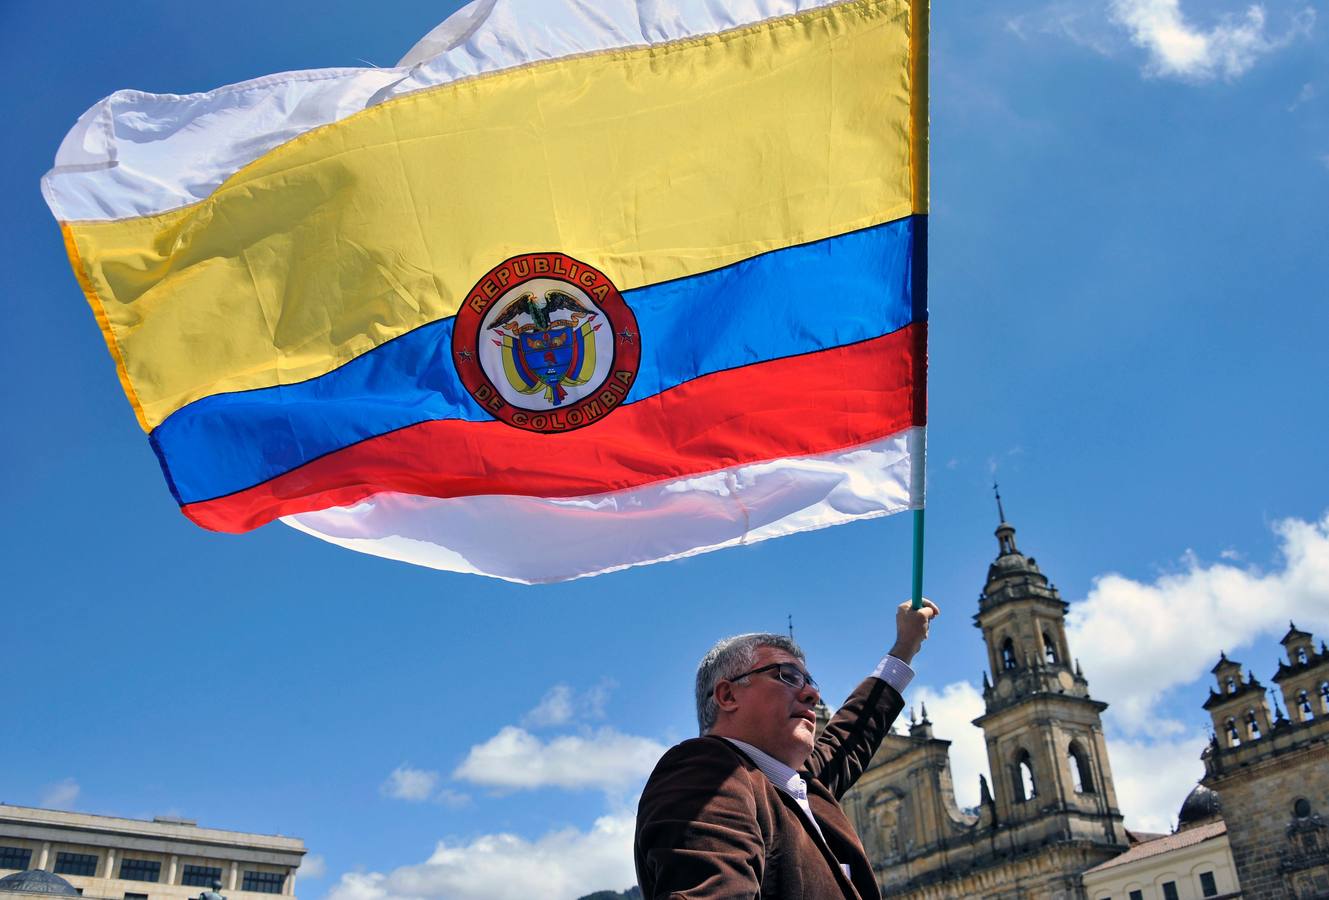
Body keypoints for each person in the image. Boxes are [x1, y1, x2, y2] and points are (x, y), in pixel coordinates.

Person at [634, 598, 939, 899]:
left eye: (809, 681)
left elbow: (850, 734)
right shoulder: (706, 770)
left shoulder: (789, 786)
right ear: (727, 695)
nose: (812, 694)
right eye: (788, 676)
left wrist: (905, 647)